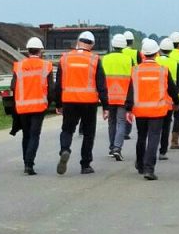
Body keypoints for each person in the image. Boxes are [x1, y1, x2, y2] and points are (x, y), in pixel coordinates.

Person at [54, 31, 107, 175]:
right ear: (92, 45)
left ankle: (65, 149)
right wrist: (106, 106)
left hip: (69, 100)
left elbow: (58, 84)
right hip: (89, 102)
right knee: (89, 133)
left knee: (67, 129)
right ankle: (85, 165)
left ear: (78, 42)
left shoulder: (65, 58)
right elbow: (101, 85)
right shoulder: (94, 59)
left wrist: (58, 104)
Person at [132, 39, 179, 180]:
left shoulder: (135, 70)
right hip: (157, 111)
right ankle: (149, 169)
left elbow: (130, 90)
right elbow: (172, 89)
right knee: (153, 138)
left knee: (141, 136)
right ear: (157, 53)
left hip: (140, 110)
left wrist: (128, 108)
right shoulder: (163, 70)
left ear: (143, 54)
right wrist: (177, 102)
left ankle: (140, 164)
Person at [11, 38, 52, 175]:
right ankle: (29, 164)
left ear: (28, 51)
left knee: (26, 135)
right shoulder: (46, 66)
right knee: (35, 135)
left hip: (23, 107)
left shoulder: (19, 66)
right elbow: (51, 88)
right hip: (39, 107)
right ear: (40, 51)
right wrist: (50, 103)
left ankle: (26, 162)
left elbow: (13, 86)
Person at [103, 34, 135, 160]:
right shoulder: (128, 60)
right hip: (123, 97)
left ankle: (112, 148)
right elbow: (133, 79)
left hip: (109, 96)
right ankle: (117, 148)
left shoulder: (105, 59)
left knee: (111, 122)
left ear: (113, 45)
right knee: (121, 122)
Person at [156, 37, 179, 161]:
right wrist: (176, 100)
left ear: (160, 49)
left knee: (155, 127)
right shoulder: (175, 63)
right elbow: (178, 82)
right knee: (166, 126)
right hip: (169, 99)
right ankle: (163, 151)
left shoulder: (155, 61)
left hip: (155, 98)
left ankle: (152, 148)